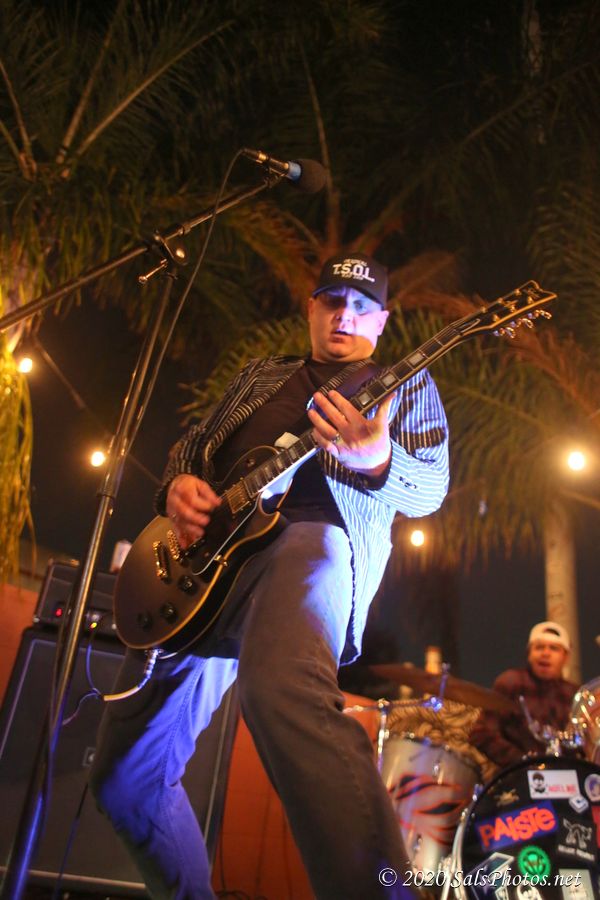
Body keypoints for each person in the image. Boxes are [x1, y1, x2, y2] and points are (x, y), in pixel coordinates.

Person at [90, 251, 450, 899]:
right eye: (332, 300)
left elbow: (430, 488)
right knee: (124, 779)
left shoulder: (403, 384)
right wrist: (179, 485)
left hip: (309, 539)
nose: (344, 314)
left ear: (382, 320)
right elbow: (193, 446)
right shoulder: (261, 374)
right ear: (311, 307)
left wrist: (378, 460)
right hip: (206, 565)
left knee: (279, 690)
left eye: (361, 305)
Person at [470, 620, 578, 772]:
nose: (545, 653)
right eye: (539, 647)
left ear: (566, 657)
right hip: (517, 774)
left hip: (566, 777)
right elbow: (481, 733)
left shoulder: (574, 694)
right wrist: (522, 760)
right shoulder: (511, 682)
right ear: (529, 654)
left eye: (554, 648)